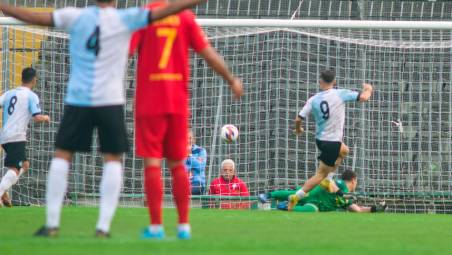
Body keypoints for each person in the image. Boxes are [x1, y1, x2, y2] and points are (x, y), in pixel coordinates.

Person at [0, 0, 205, 238]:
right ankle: (103, 228)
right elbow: (167, 10)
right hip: (110, 101)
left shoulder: (75, 16)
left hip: (79, 99)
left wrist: (5, 6)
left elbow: (35, 17)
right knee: (113, 160)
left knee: (62, 157)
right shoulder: (126, 18)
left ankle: (52, 224)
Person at [128, 0, 243, 240]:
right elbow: (209, 54)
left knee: (152, 164)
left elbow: (125, 53)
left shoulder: (143, 16)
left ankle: (157, 227)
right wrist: (231, 79)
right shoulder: (185, 17)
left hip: (149, 101)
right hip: (177, 103)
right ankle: (183, 226)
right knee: (178, 164)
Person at [289, 70, 373, 211]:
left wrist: (298, 129)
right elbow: (364, 97)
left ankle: (328, 180)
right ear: (334, 82)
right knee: (320, 175)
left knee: (344, 150)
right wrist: (368, 89)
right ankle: (296, 197)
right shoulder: (340, 93)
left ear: (320, 82)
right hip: (332, 142)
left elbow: (298, 119)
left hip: (321, 140)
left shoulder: (313, 99)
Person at [0, 67, 50, 208]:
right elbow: (37, 117)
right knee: (16, 168)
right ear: (34, 79)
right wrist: (46, 117)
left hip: (5, 136)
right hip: (17, 136)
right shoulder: (31, 96)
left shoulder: (10, 93)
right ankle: (1, 191)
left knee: (25, 165)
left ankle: (3, 192)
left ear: (21, 78)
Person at [260, 170, 387, 213]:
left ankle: (283, 207)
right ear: (353, 180)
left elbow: (358, 210)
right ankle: (268, 195)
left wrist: (376, 208)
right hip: (312, 194)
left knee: (312, 211)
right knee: (295, 194)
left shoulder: (347, 197)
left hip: (316, 205)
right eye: (357, 181)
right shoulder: (342, 185)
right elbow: (327, 182)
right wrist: (339, 192)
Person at [185, 130, 207, 195]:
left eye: (190, 138)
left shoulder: (201, 151)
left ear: (194, 139)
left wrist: (189, 155)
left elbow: (201, 166)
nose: (188, 141)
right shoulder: (178, 151)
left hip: (197, 183)